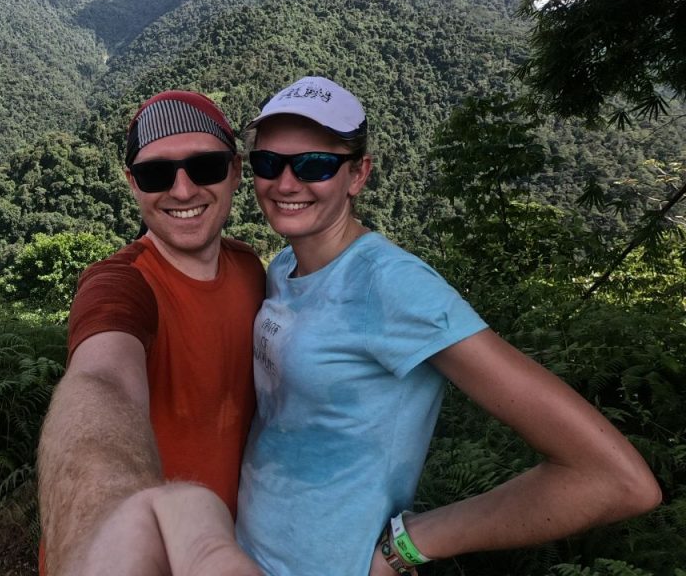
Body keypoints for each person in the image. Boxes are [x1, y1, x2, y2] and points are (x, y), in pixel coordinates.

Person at [235, 76, 662, 576]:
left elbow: (614, 478)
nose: (285, 183)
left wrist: (411, 543)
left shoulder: (393, 286)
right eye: (268, 163)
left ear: (358, 175)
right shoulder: (284, 267)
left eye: (314, 164)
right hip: (244, 554)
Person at [37, 90, 267, 576]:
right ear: (132, 183)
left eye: (204, 166)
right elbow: (103, 382)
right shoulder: (119, 285)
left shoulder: (250, 270)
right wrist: (108, 519)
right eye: (156, 174)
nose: (182, 191)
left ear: (236, 171)